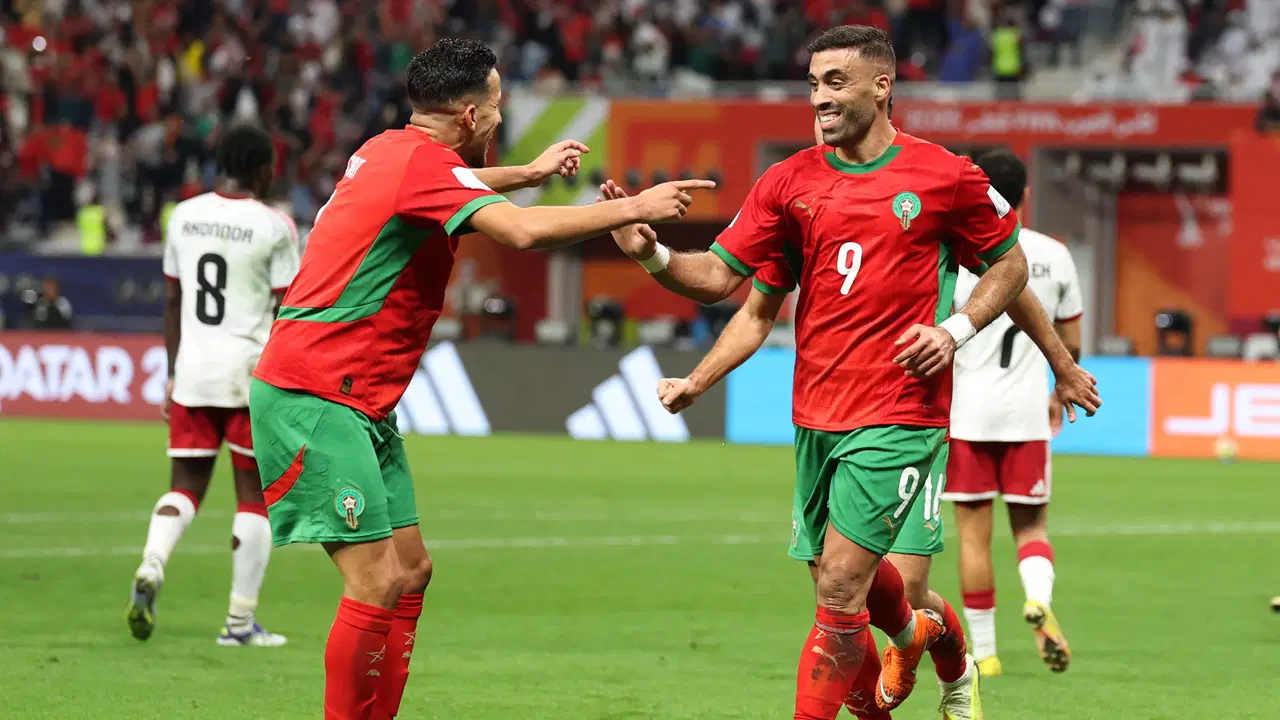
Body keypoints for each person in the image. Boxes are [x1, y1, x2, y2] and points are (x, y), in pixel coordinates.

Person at [603, 25, 1100, 720]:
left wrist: (961, 333)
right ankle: (931, 638)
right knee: (848, 592)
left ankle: (911, 662)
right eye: (813, 85)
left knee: (841, 588)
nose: (819, 99)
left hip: (901, 412)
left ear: (882, 85)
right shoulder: (789, 184)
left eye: (835, 82)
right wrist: (651, 256)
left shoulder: (945, 176)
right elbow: (722, 283)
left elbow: (1009, 266)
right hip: (816, 415)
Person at [247, 38, 714, 720]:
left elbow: (451, 185)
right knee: (375, 581)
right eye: (496, 107)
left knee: (411, 572)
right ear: (471, 115)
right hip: (315, 392)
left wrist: (527, 172)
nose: (499, 118)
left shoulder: (385, 150)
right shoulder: (424, 167)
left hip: (360, 401)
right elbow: (521, 234)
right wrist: (633, 207)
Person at [127, 123, 301, 647]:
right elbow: (288, 310)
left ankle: (152, 562)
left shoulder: (183, 216)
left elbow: (173, 300)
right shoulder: (274, 225)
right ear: (262, 171)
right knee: (254, 498)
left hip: (193, 374)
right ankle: (239, 624)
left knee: (183, 488)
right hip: (250, 377)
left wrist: (172, 373)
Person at [942, 148, 1083, 677]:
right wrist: (1058, 393)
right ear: (1024, 193)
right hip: (1027, 412)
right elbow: (1070, 339)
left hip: (967, 413)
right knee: (1031, 527)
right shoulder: (1053, 254)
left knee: (973, 535)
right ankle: (1038, 599)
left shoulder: (956, 256)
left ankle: (985, 653)